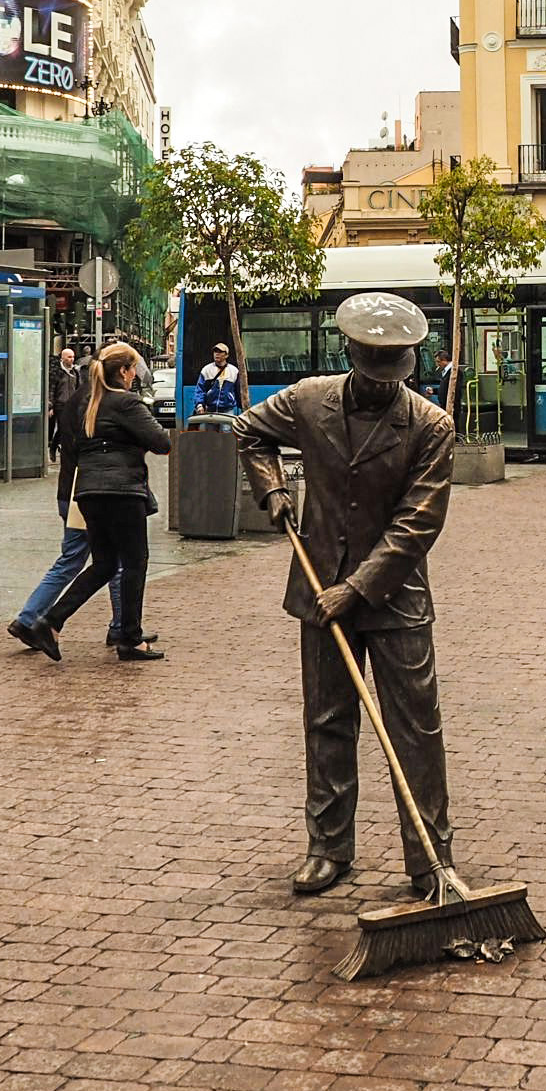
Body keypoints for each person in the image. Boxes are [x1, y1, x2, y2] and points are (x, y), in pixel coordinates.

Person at [234, 292, 458, 900]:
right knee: (327, 722)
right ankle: (328, 847)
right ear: (351, 355)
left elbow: (418, 522)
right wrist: (272, 489)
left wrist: (355, 590)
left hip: (395, 598)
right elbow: (248, 431)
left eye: (394, 370)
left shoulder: (431, 426)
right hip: (318, 586)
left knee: (415, 728)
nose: (383, 382)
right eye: (373, 368)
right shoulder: (309, 400)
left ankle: (431, 858)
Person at [14, 342, 171, 662]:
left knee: (104, 565)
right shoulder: (126, 402)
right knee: (135, 562)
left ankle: (50, 621)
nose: (134, 375)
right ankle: (130, 638)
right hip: (122, 492)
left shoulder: (88, 403)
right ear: (123, 371)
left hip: (88, 492)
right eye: (132, 369)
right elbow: (161, 441)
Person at [8, 367, 128, 653]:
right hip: (90, 492)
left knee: (71, 560)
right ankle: (122, 627)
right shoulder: (99, 403)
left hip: (70, 491)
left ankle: (27, 618)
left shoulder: (76, 400)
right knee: (115, 561)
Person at [192, 341, 246, 417]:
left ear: (226, 355)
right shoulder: (206, 370)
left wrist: (243, 407)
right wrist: (199, 405)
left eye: (220, 352)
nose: (217, 354)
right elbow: (200, 389)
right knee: (210, 426)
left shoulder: (234, 371)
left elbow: (239, 392)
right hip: (209, 409)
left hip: (227, 410)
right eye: (215, 351)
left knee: (227, 425)